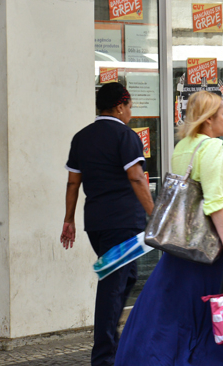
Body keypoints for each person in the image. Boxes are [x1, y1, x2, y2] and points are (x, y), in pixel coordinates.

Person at [114, 91, 223, 366]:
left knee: (176, 308)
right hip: (211, 247)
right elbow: (213, 201)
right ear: (209, 120)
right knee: (218, 310)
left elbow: (192, 201)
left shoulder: (183, 146)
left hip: (185, 244)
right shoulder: (212, 147)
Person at [60, 82, 155, 366]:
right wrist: (155, 214)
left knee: (127, 277)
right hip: (122, 223)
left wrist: (69, 219)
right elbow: (136, 177)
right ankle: (103, 357)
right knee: (112, 286)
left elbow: (73, 183)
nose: (131, 113)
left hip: (96, 223)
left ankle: (113, 341)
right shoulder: (125, 135)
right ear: (119, 106)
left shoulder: (81, 137)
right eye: (129, 107)